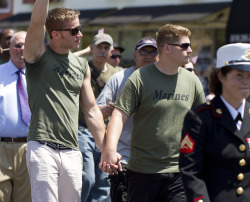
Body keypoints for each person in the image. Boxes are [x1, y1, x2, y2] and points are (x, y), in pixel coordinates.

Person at [23, 0, 106, 202]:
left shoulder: (82, 65)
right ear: (56, 34)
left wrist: (106, 149)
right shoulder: (37, 55)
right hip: (42, 146)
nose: (80, 34)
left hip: (72, 149)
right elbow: (37, 24)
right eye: (75, 30)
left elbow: (91, 110)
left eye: (80, 29)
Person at [100, 24, 205, 202]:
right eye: (185, 46)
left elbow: (203, 122)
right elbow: (118, 115)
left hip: (179, 171)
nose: (190, 50)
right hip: (142, 172)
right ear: (167, 48)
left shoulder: (193, 81)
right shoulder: (139, 78)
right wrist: (109, 149)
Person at [179, 43, 250, 202]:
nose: (245, 81)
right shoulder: (200, 118)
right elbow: (190, 171)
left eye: (249, 76)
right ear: (221, 76)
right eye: (239, 75)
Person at [97, 36, 158, 202]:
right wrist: (106, 111)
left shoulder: (163, 80)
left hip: (154, 160)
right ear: (135, 55)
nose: (148, 55)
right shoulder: (119, 78)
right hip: (123, 157)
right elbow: (96, 113)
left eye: (153, 52)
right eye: (143, 51)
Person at [76, 33, 117, 202]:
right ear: (91, 49)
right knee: (87, 177)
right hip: (83, 128)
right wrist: (84, 51)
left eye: (106, 48)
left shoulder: (117, 74)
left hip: (107, 131)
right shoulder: (80, 67)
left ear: (111, 51)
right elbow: (63, 59)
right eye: (99, 47)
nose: (102, 51)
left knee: (103, 181)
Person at [0, 31, 31, 202]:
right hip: (2, 147)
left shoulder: (38, 76)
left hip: (29, 147)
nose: (22, 49)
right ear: (10, 48)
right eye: (18, 45)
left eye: (26, 45)